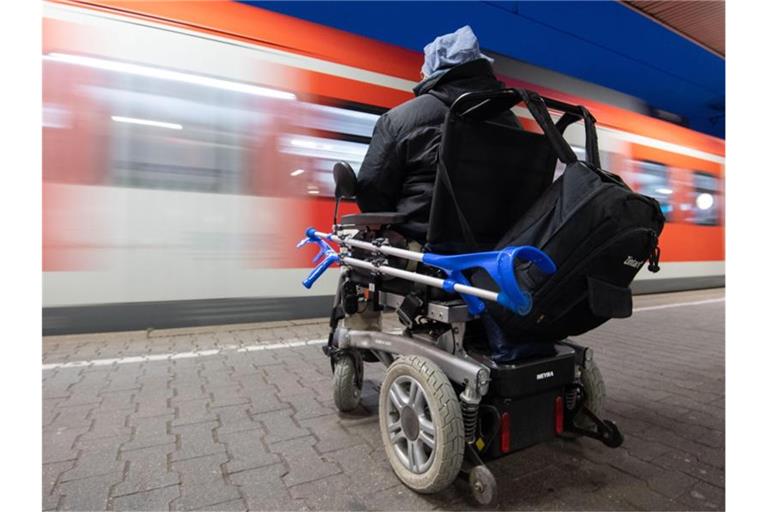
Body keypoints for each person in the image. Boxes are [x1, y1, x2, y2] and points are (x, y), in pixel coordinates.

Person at [356, 25, 520, 243]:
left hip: (424, 257)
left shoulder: (400, 119)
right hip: (495, 252)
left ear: (432, 70)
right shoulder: (511, 121)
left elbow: (370, 188)